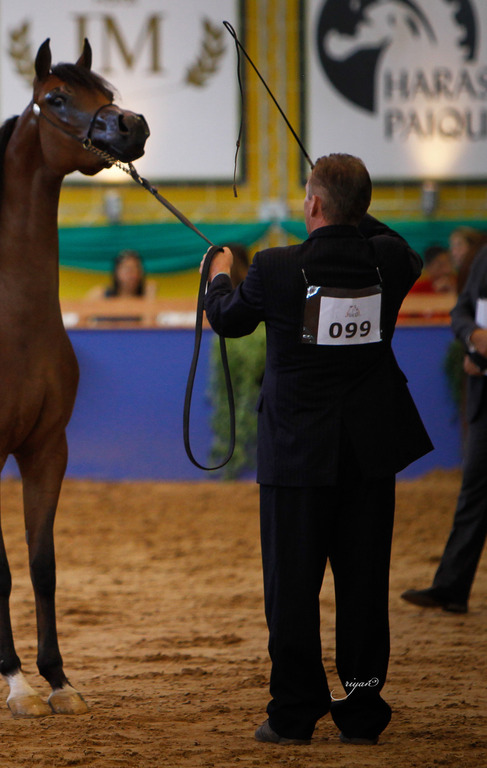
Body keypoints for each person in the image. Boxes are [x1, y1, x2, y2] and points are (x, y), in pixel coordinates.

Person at [200, 154, 432, 747]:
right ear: (360, 209)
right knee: (363, 588)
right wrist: (356, 216)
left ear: (312, 206)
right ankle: (361, 710)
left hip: (296, 458)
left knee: (292, 591)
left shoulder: (275, 268)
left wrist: (220, 272)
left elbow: (225, 320)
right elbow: (403, 245)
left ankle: (295, 712)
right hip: (367, 459)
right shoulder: (388, 263)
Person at [401, 243, 487, 615]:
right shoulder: (484, 256)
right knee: (474, 490)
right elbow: (462, 309)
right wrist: (473, 339)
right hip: (485, 391)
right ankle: (452, 587)